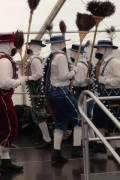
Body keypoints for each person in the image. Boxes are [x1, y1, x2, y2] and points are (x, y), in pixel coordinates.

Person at [0, 33, 26, 174]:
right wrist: (21, 80)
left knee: (4, 129)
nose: (14, 46)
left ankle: (6, 161)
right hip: (1, 97)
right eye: (13, 43)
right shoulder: (4, 61)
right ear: (9, 44)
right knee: (11, 129)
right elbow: (5, 83)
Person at [43, 35, 82, 166]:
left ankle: (56, 153)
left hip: (52, 94)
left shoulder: (50, 56)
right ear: (61, 43)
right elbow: (64, 76)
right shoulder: (60, 56)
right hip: (61, 92)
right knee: (80, 117)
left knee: (61, 121)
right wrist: (74, 70)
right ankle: (76, 148)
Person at [91, 40, 120, 156]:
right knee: (99, 121)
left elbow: (119, 79)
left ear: (107, 49)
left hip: (113, 97)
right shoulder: (102, 63)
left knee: (114, 123)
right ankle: (101, 144)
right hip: (104, 97)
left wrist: (104, 80)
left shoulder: (115, 63)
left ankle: (116, 148)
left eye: (100, 48)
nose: (97, 50)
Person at [25, 39, 52, 148]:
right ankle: (46, 138)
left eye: (30, 45)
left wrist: (28, 77)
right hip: (35, 90)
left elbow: (39, 74)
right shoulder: (33, 59)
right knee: (38, 114)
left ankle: (47, 139)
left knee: (40, 114)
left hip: (37, 91)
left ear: (34, 46)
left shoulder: (35, 60)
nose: (29, 47)